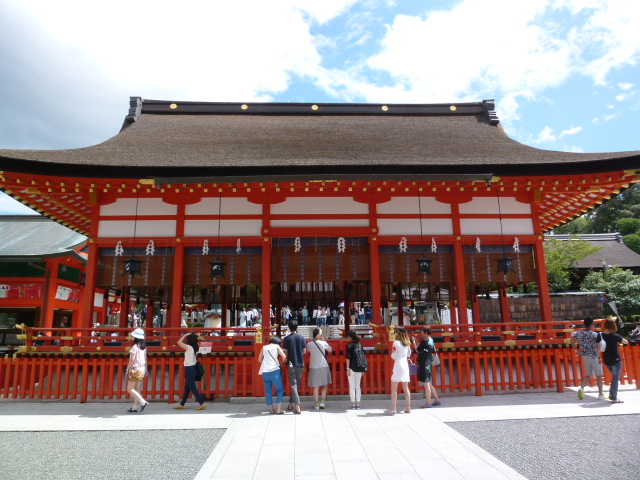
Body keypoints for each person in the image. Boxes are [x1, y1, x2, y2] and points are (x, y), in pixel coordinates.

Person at [571, 317, 605, 400]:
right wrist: (599, 356)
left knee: (588, 374)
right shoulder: (595, 334)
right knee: (599, 376)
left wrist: (575, 349)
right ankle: (600, 394)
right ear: (591, 324)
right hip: (594, 356)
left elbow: (572, 340)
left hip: (585, 355)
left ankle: (581, 388)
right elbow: (598, 346)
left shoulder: (579, 333)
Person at [174, 333, 207, 410]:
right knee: (187, 388)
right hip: (193, 367)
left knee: (192, 387)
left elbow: (178, 342)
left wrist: (185, 335)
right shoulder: (196, 347)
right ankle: (182, 404)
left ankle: (202, 403)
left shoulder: (189, 347)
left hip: (189, 368)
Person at [387, 326, 414, 414]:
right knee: (406, 388)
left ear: (398, 333)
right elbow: (409, 354)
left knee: (394, 389)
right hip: (405, 365)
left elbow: (393, 355)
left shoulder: (396, 343)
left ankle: (394, 408)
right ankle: (408, 408)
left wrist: (393, 354)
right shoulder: (407, 343)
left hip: (398, 364)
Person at [601, 317, 629, 403]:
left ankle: (611, 394)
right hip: (616, 360)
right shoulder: (614, 336)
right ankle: (614, 397)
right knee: (616, 379)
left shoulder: (601, 335)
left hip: (607, 360)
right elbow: (625, 342)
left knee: (614, 378)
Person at [258, 336, 287, 414]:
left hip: (265, 371)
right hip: (275, 371)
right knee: (279, 389)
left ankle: (271, 409)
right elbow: (284, 357)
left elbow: (259, 360)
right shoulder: (277, 346)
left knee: (268, 390)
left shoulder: (264, 347)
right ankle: (279, 409)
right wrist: (281, 363)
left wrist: (266, 362)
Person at [283, 320, 306, 414]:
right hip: (300, 363)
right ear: (297, 327)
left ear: (289, 327)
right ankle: (291, 404)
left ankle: (297, 405)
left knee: (293, 385)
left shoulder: (286, 339)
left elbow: (286, 353)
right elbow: (304, 352)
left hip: (291, 363)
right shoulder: (302, 338)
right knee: (296, 384)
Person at [416, 326, 442, 408]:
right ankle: (437, 399)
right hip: (428, 362)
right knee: (428, 382)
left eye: (422, 331)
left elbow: (418, 350)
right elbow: (430, 350)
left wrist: (413, 342)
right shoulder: (431, 340)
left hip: (424, 363)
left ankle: (429, 402)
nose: (421, 332)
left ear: (426, 332)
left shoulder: (425, 340)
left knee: (426, 384)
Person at [308, 327, 332, 409]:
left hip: (313, 366)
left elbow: (308, 351)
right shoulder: (323, 343)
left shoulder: (309, 344)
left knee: (316, 386)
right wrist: (325, 341)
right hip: (323, 365)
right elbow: (330, 350)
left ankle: (316, 403)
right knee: (324, 385)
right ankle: (323, 402)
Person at [125, 328, 149, 413]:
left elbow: (132, 359)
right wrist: (146, 368)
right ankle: (135, 407)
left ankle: (143, 402)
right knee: (137, 388)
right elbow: (145, 358)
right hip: (142, 368)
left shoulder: (134, 347)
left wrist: (127, 369)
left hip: (136, 368)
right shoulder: (143, 347)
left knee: (130, 389)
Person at [345, 329, 366, 409]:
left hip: (351, 367)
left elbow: (348, 358)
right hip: (359, 367)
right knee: (358, 386)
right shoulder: (360, 345)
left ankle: (353, 404)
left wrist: (347, 368)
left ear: (350, 337)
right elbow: (363, 356)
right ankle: (358, 403)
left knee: (352, 386)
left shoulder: (349, 345)